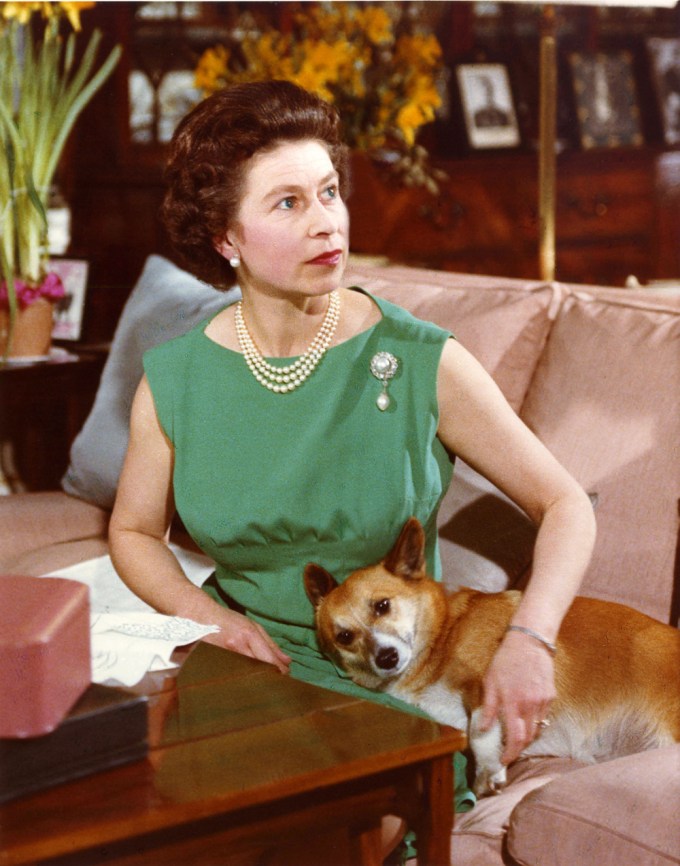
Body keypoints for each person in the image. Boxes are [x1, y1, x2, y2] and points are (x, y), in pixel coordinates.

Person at [109, 79, 596, 850]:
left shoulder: (417, 359)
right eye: (288, 203)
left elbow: (567, 505)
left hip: (386, 688)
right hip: (238, 673)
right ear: (225, 238)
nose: (326, 222)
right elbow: (133, 531)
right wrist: (215, 622)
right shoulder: (175, 378)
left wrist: (530, 641)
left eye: (329, 192)